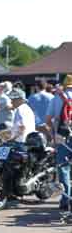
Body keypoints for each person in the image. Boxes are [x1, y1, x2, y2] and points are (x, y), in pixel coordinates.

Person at [47, 74, 72, 213]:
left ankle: (65, 200)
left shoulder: (57, 98)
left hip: (62, 137)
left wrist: (53, 135)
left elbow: (48, 119)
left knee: (63, 168)